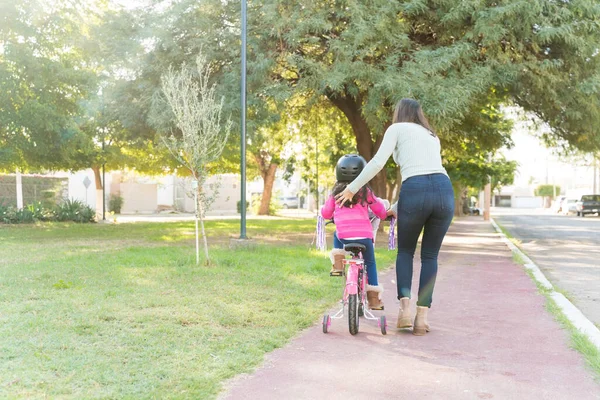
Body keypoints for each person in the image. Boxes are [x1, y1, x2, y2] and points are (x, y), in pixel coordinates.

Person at [335, 99, 454, 336]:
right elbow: (431, 175)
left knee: (406, 252)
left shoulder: (396, 129)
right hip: (444, 191)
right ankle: (422, 318)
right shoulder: (432, 135)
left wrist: (352, 188)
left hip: (414, 191)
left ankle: (405, 312)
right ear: (419, 114)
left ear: (399, 113)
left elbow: (378, 162)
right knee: (430, 256)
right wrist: (398, 207)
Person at [321, 154, 389, 310]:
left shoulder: (335, 193)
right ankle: (373, 299)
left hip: (344, 236)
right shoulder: (365, 191)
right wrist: (385, 214)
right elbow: (379, 210)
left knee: (337, 233)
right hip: (365, 236)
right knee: (370, 263)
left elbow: (326, 214)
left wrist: (327, 212)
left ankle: (338, 264)